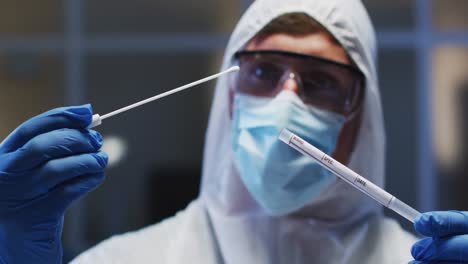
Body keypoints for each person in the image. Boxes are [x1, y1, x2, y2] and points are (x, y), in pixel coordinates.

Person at [0, 0, 467, 263]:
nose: (286, 102)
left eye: (321, 80)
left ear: (363, 113)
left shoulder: (421, 260)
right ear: (228, 95)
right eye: (264, 72)